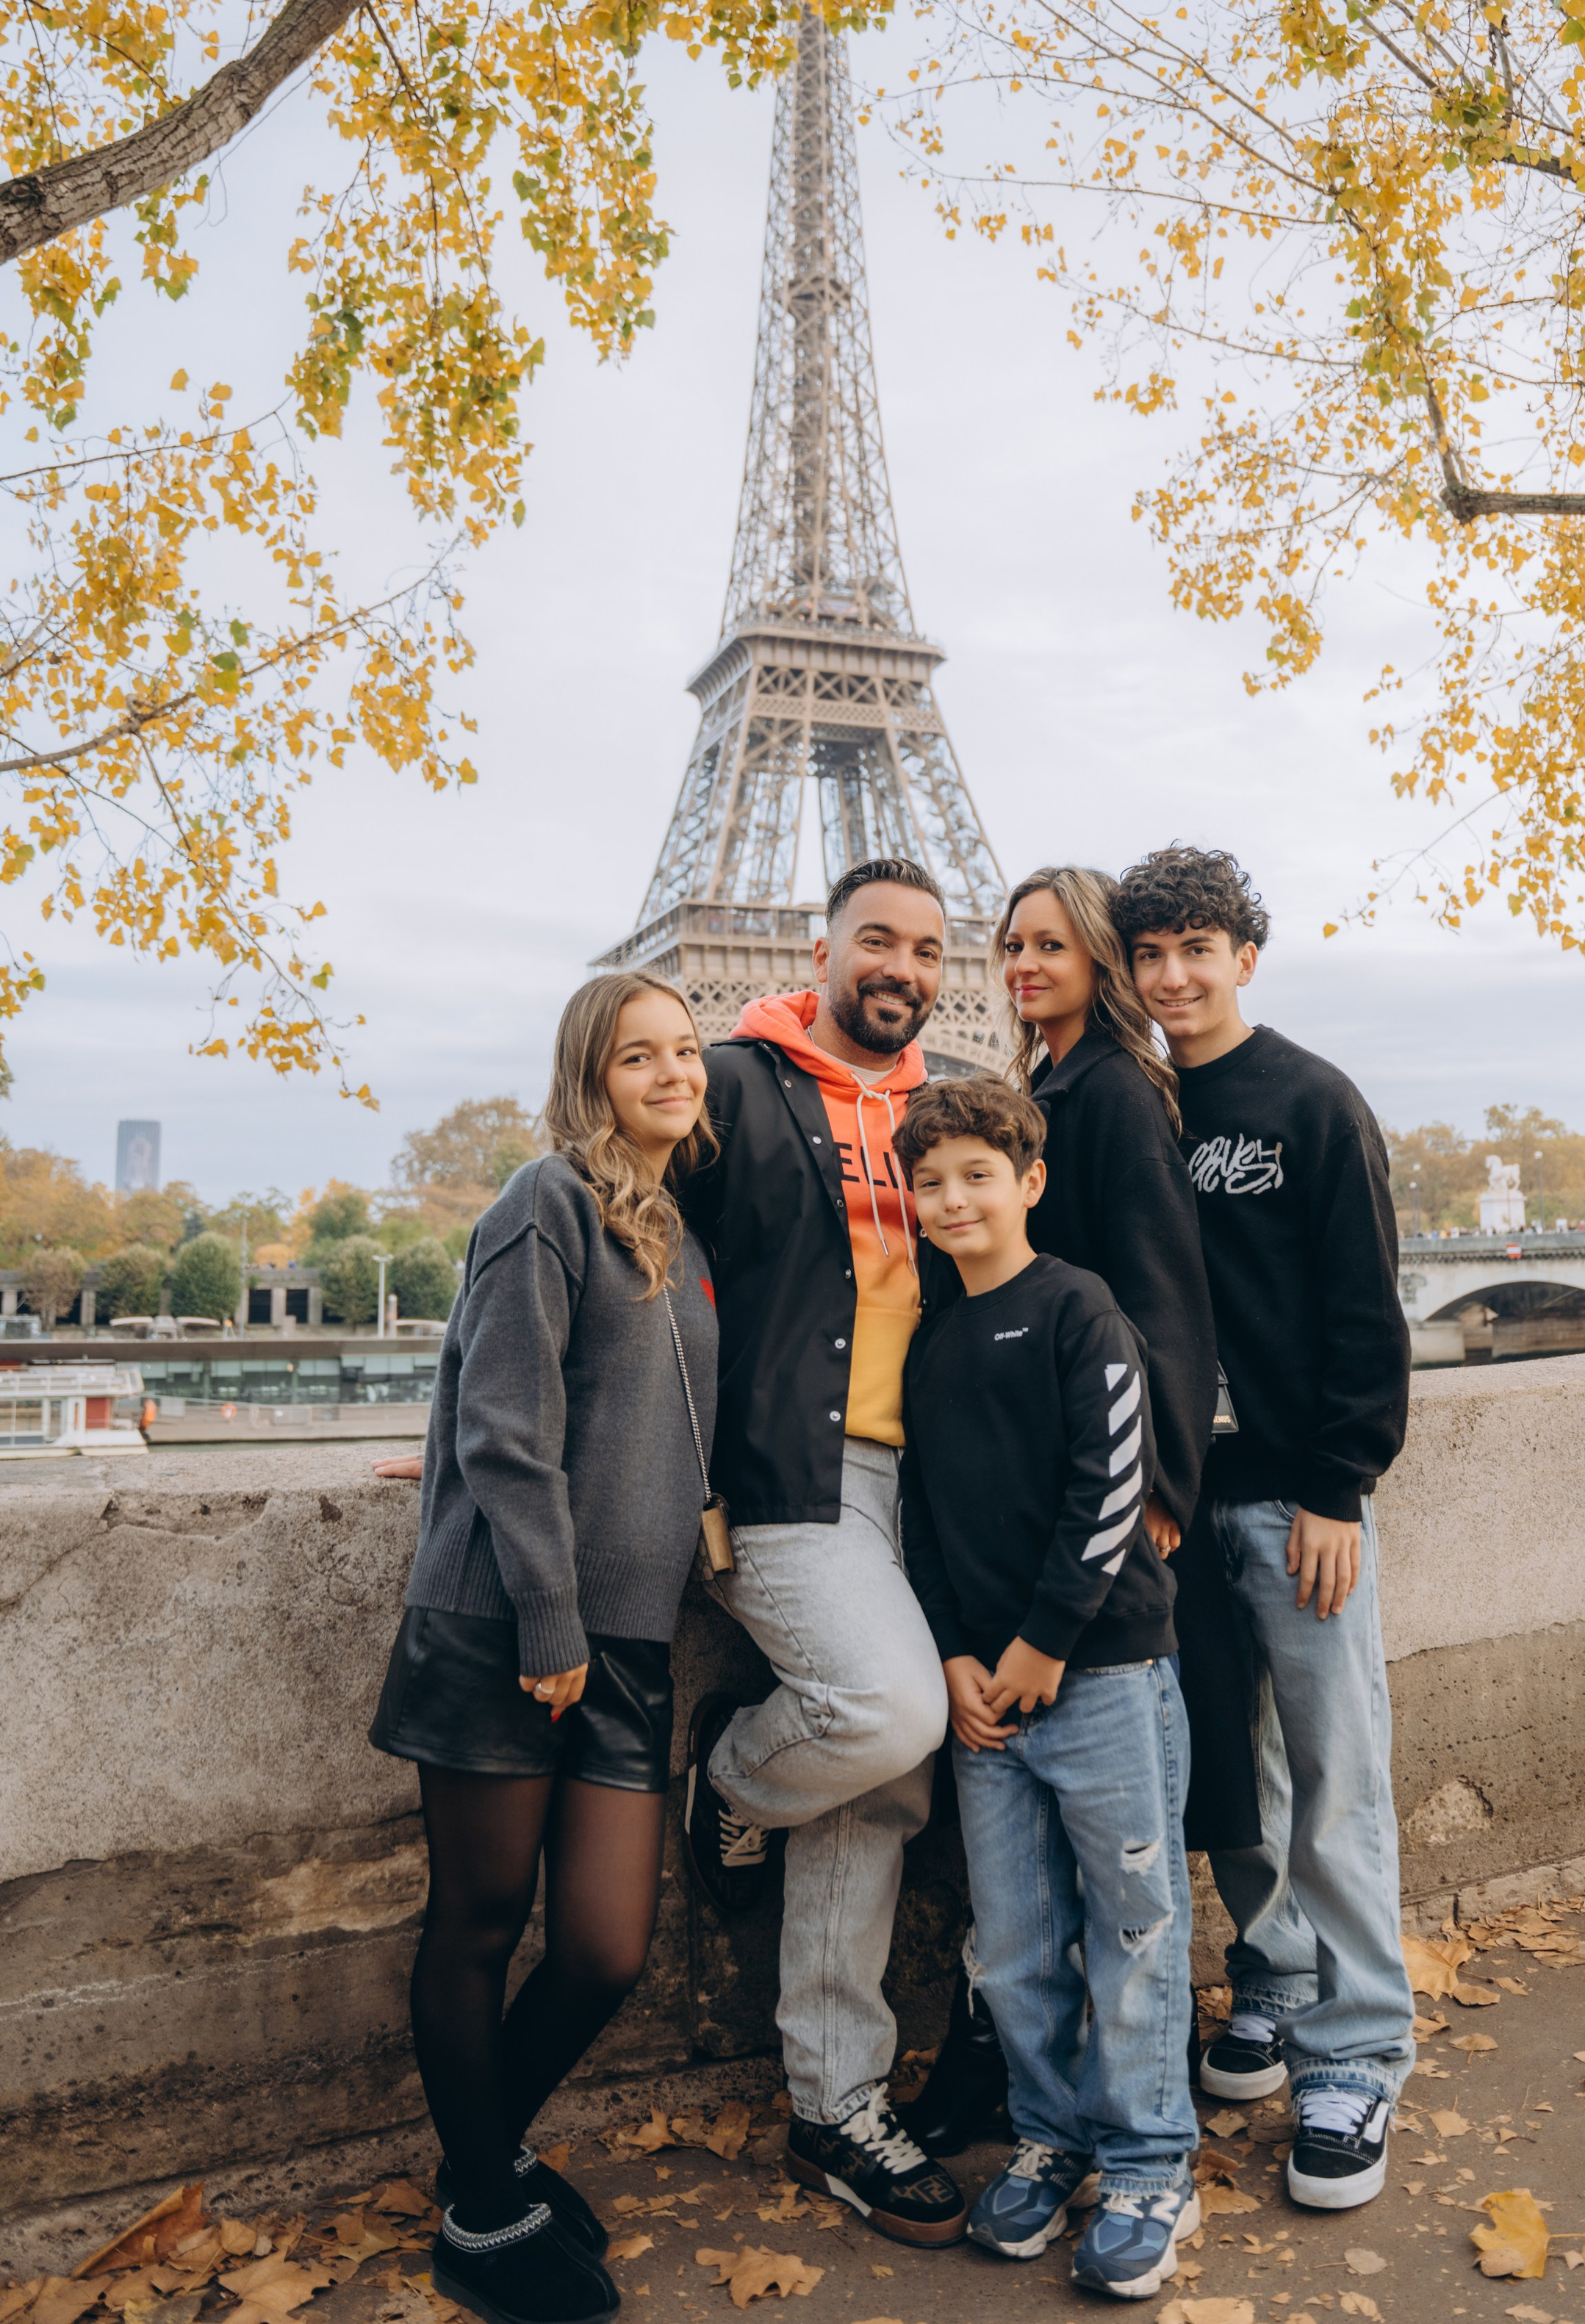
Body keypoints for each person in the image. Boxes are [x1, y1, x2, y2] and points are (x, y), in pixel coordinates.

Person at [366, 972, 719, 2324]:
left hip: (623, 1637)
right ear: (593, 1072)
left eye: (687, 1052)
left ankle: (475, 2166)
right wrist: (548, 1611)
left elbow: (610, 1411)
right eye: (642, 1056)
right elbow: (507, 1426)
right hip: (514, 1622)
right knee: (477, 1923)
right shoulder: (546, 1200)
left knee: (605, 1950)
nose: (674, 1072)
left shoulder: (680, 1230)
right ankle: (484, 2202)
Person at [904, 866, 1239, 2158]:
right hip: (1011, 1564)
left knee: (1122, 1897)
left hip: (1096, 1547)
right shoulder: (1044, 1088)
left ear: (1098, 958)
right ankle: (1049, 2113)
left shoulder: (1106, 1090)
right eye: (1012, 944)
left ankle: (1139, 2131)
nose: (1026, 963)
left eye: (1053, 943)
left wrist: (1159, 1483)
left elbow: (1163, 1299)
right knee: (1043, 1911)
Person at [1118, 843, 1415, 2213]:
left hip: (1297, 1501)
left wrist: (1341, 1487)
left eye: (1198, 949)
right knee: (1232, 1783)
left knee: (1337, 1777)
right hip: (1180, 1507)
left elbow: (1365, 1310)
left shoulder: (1310, 1102)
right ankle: (1280, 1971)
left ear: (1245, 957)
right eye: (1151, 953)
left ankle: (1357, 2053)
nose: (1173, 976)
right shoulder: (1135, 1106)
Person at [677, 859, 963, 2251]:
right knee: (889, 1711)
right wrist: (499, 1415)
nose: (900, 965)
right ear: (823, 949)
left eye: (925, 946)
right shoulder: (732, 1084)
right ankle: (734, 1772)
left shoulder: (952, 1109)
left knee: (890, 1783)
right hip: (791, 1476)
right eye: (875, 941)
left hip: (941, 1482)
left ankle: (834, 2103)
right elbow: (608, 1229)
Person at [895, 1076, 1198, 2300]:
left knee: (1134, 1933)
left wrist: (1042, 1643)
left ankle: (1147, 2162)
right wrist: (957, 1654)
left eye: (979, 1174)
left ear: (1030, 1182)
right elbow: (924, 1515)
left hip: (1104, 1674)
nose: (954, 1198)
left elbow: (1111, 1484)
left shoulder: (1080, 1308)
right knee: (1015, 1945)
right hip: (986, 1698)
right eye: (931, 1181)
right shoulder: (931, 1339)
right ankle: (1051, 2134)